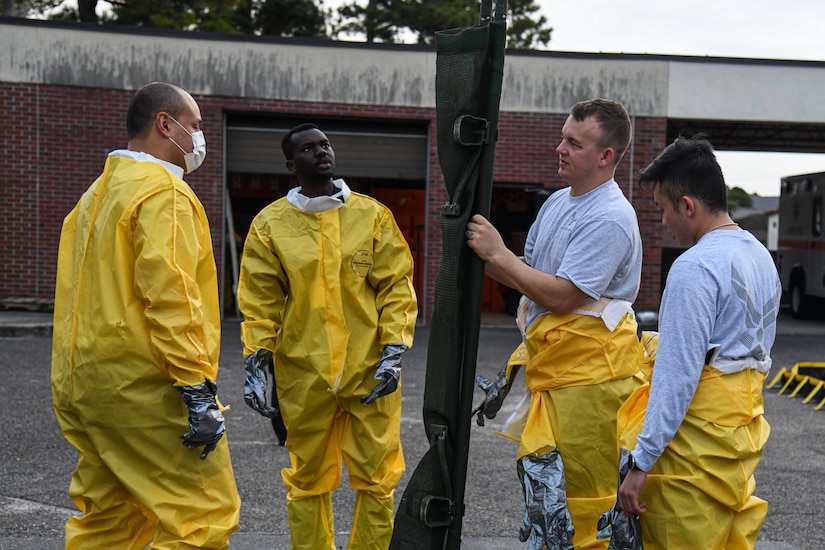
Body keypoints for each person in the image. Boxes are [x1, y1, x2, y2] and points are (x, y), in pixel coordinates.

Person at [50, 81, 240, 548]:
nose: (198, 138)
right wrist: (196, 388)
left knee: (111, 518)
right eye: (194, 126)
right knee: (201, 518)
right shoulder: (163, 195)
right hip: (146, 387)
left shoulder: (94, 196)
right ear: (165, 124)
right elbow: (171, 295)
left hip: (87, 385)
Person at [467, 98, 643, 549]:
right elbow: (532, 276)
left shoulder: (610, 217)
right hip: (557, 373)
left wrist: (498, 254)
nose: (559, 148)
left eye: (573, 142)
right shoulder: (560, 202)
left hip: (591, 383)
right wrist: (483, 255)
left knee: (585, 499)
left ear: (606, 157)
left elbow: (563, 296)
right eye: (562, 137)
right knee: (549, 497)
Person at [237, 123, 418, 549]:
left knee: (377, 477)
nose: (321, 152)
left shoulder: (371, 215)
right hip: (304, 372)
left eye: (325, 144)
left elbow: (396, 285)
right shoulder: (271, 225)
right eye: (307, 148)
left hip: (370, 368)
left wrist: (393, 347)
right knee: (308, 478)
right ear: (290, 164)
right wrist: (256, 361)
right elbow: (259, 301)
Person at [617, 136, 781, 549]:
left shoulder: (694, 267)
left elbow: (677, 378)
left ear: (687, 205)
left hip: (690, 459)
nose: (662, 223)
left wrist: (642, 462)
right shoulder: (761, 257)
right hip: (740, 446)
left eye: (662, 209)